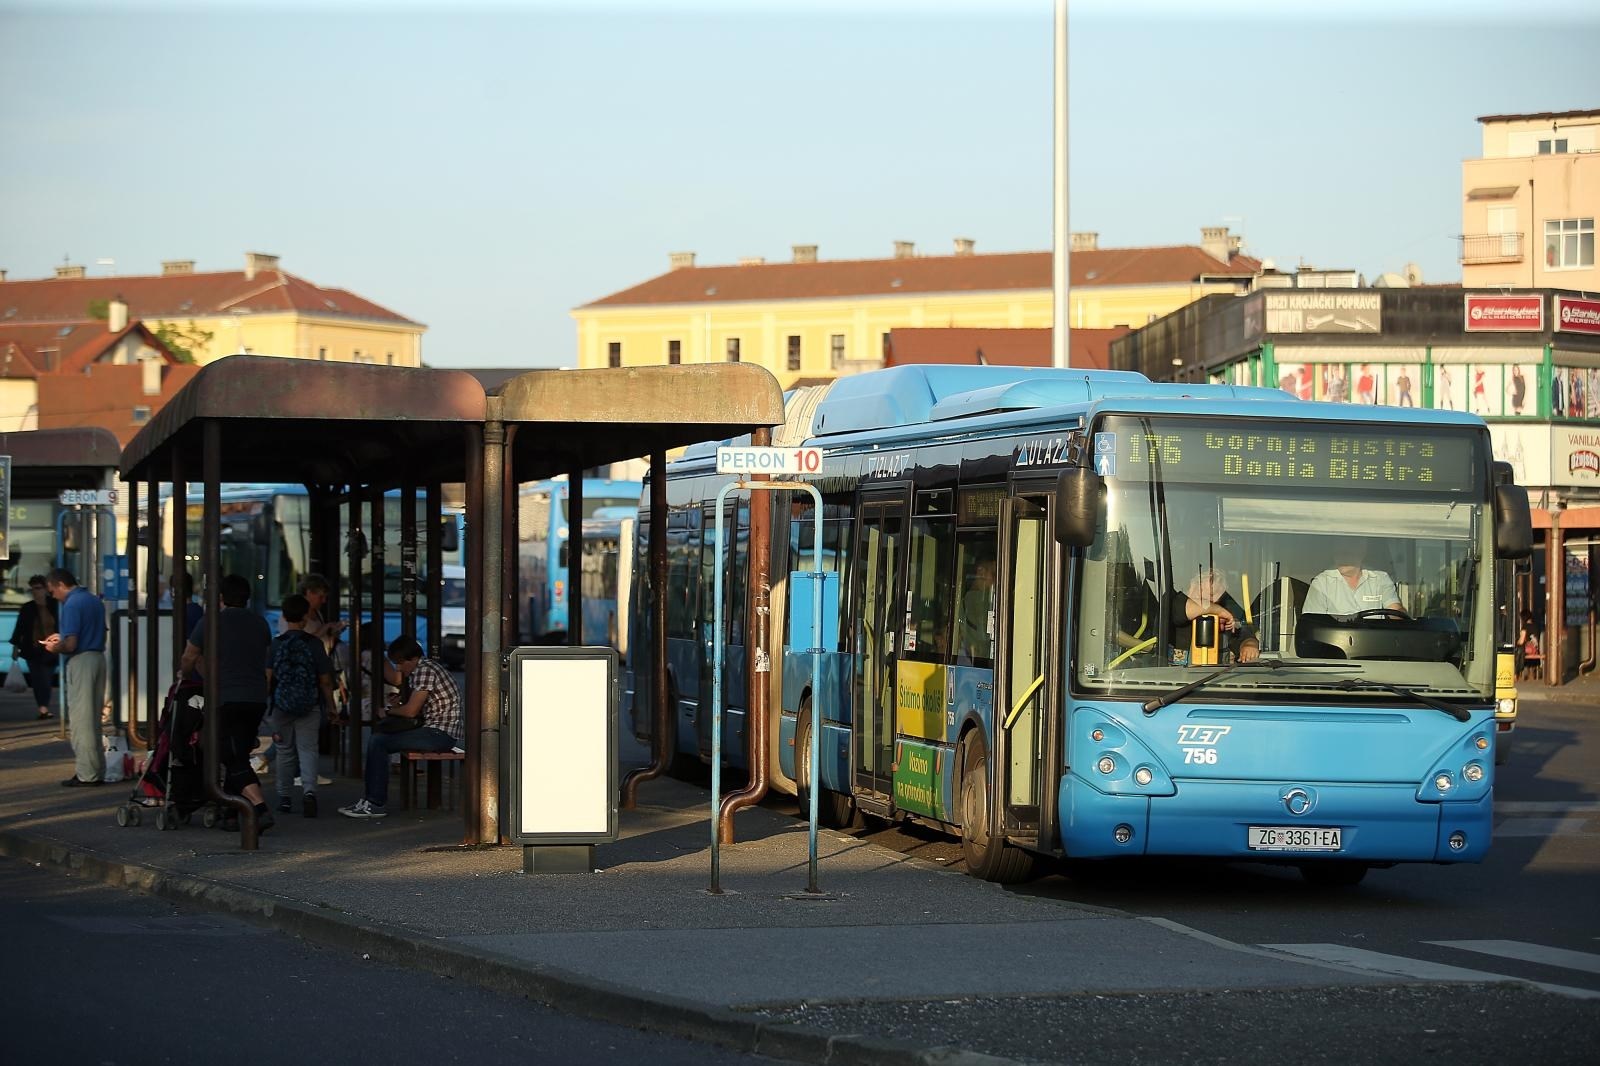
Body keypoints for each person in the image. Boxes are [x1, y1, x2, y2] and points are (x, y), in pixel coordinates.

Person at [180, 574, 275, 833]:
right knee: (238, 751)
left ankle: (258, 808)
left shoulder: (209, 622)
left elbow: (189, 656)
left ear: (221, 597)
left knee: (227, 753)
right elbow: (264, 658)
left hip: (226, 697)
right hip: (255, 698)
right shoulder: (261, 623)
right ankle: (233, 813)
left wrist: (186, 674)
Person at [340, 635, 463, 820]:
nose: (398, 668)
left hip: (439, 734)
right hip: (435, 730)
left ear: (412, 659)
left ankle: (375, 803)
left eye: (400, 663)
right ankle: (370, 800)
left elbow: (411, 711)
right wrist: (398, 705)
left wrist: (388, 711)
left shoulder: (425, 671)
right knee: (379, 740)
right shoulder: (424, 669)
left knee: (379, 742)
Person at [267, 593, 337, 818]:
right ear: (306, 617)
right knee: (308, 750)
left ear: (285, 617)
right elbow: (325, 680)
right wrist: (331, 706)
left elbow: (267, 677)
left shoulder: (276, 645)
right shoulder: (315, 644)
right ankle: (309, 793)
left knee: (284, 751)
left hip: (282, 705)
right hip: (309, 704)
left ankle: (284, 798)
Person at [42, 568, 108, 786]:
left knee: (81, 720)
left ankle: (86, 774)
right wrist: (62, 637)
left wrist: (55, 647)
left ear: (61, 585)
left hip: (81, 662)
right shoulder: (92, 600)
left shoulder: (71, 604)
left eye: (53, 592)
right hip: (98, 658)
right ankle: (97, 769)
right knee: (94, 719)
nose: (53, 597)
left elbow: (71, 644)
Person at [1168, 568, 1258, 666]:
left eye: (1217, 601)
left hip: (1213, 677)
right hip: (1173, 677)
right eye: (1210, 596)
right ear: (1194, 584)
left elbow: (1242, 635)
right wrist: (1220, 611)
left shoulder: (1220, 619)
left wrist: (1249, 645)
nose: (1213, 604)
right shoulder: (1172, 604)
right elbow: (1186, 608)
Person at [1302, 538, 1404, 617]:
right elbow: (1312, 625)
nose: (1342, 558)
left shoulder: (1380, 579)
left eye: (1346, 553)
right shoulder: (1321, 583)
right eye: (1338, 553)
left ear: (1362, 550)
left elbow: (1396, 612)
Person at [10, 575, 59, 719]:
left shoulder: (55, 605)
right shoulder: (28, 608)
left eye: (38, 588)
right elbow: (19, 629)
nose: (35, 592)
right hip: (32, 649)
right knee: (37, 680)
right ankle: (43, 708)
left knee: (46, 678)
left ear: (45, 589)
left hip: (51, 649)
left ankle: (44, 705)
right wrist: (15, 648)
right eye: (32, 589)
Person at [956, 559, 995, 663]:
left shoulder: (963, 602)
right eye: (994, 574)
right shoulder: (980, 600)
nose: (996, 581)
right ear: (981, 571)